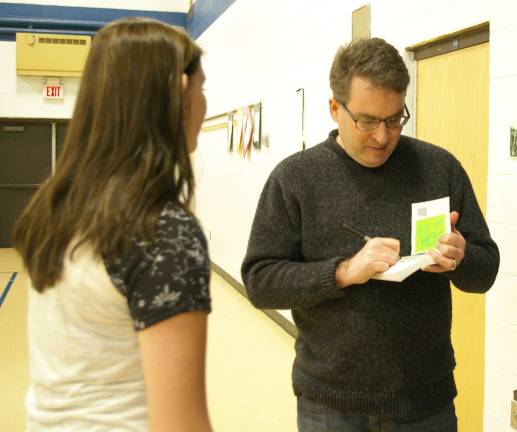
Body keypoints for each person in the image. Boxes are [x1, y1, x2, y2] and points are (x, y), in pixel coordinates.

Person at [241, 37, 499, 432]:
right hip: (330, 404)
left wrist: (462, 258)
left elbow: (486, 271)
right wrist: (342, 271)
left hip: (424, 401)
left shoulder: (439, 167)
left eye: (395, 119)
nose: (382, 136)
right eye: (367, 121)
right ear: (334, 108)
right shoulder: (295, 179)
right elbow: (260, 282)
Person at [14, 18, 212, 432]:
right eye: (202, 87)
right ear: (178, 92)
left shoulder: (56, 205)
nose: (204, 101)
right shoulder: (161, 230)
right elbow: (181, 424)